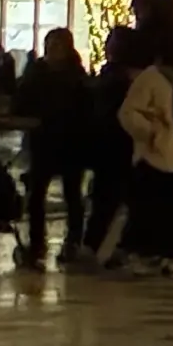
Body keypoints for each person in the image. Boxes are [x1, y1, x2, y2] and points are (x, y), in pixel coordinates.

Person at [115, 24, 173, 276]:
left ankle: (168, 256)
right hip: (154, 155)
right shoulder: (151, 77)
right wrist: (152, 133)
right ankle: (142, 254)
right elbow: (128, 112)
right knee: (149, 209)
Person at [13, 28, 94, 268]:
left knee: (71, 194)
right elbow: (23, 99)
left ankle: (72, 241)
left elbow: (86, 107)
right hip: (44, 140)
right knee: (37, 193)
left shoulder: (75, 75)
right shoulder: (38, 72)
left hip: (69, 140)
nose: (55, 50)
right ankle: (38, 241)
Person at [80, 28, 139, 262]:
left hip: (114, 144)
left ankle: (97, 245)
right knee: (112, 198)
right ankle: (109, 246)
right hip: (115, 144)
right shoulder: (121, 77)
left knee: (109, 199)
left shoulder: (116, 78)